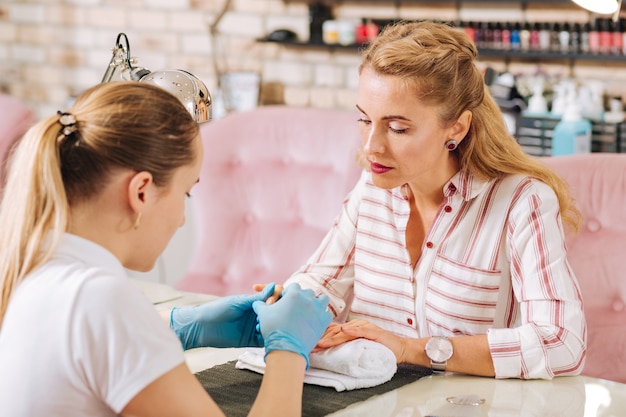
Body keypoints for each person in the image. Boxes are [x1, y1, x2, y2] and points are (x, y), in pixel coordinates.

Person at [256, 20, 586, 380]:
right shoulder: (372, 190)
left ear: (455, 129)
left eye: (398, 128)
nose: (371, 147)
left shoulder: (521, 202)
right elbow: (322, 282)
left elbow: (562, 343)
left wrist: (412, 349)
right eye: (365, 120)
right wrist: (289, 303)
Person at [0, 81, 332, 416]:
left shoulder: (33, 266)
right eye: (186, 193)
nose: (181, 221)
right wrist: (288, 351)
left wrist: (176, 326)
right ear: (141, 191)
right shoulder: (102, 300)